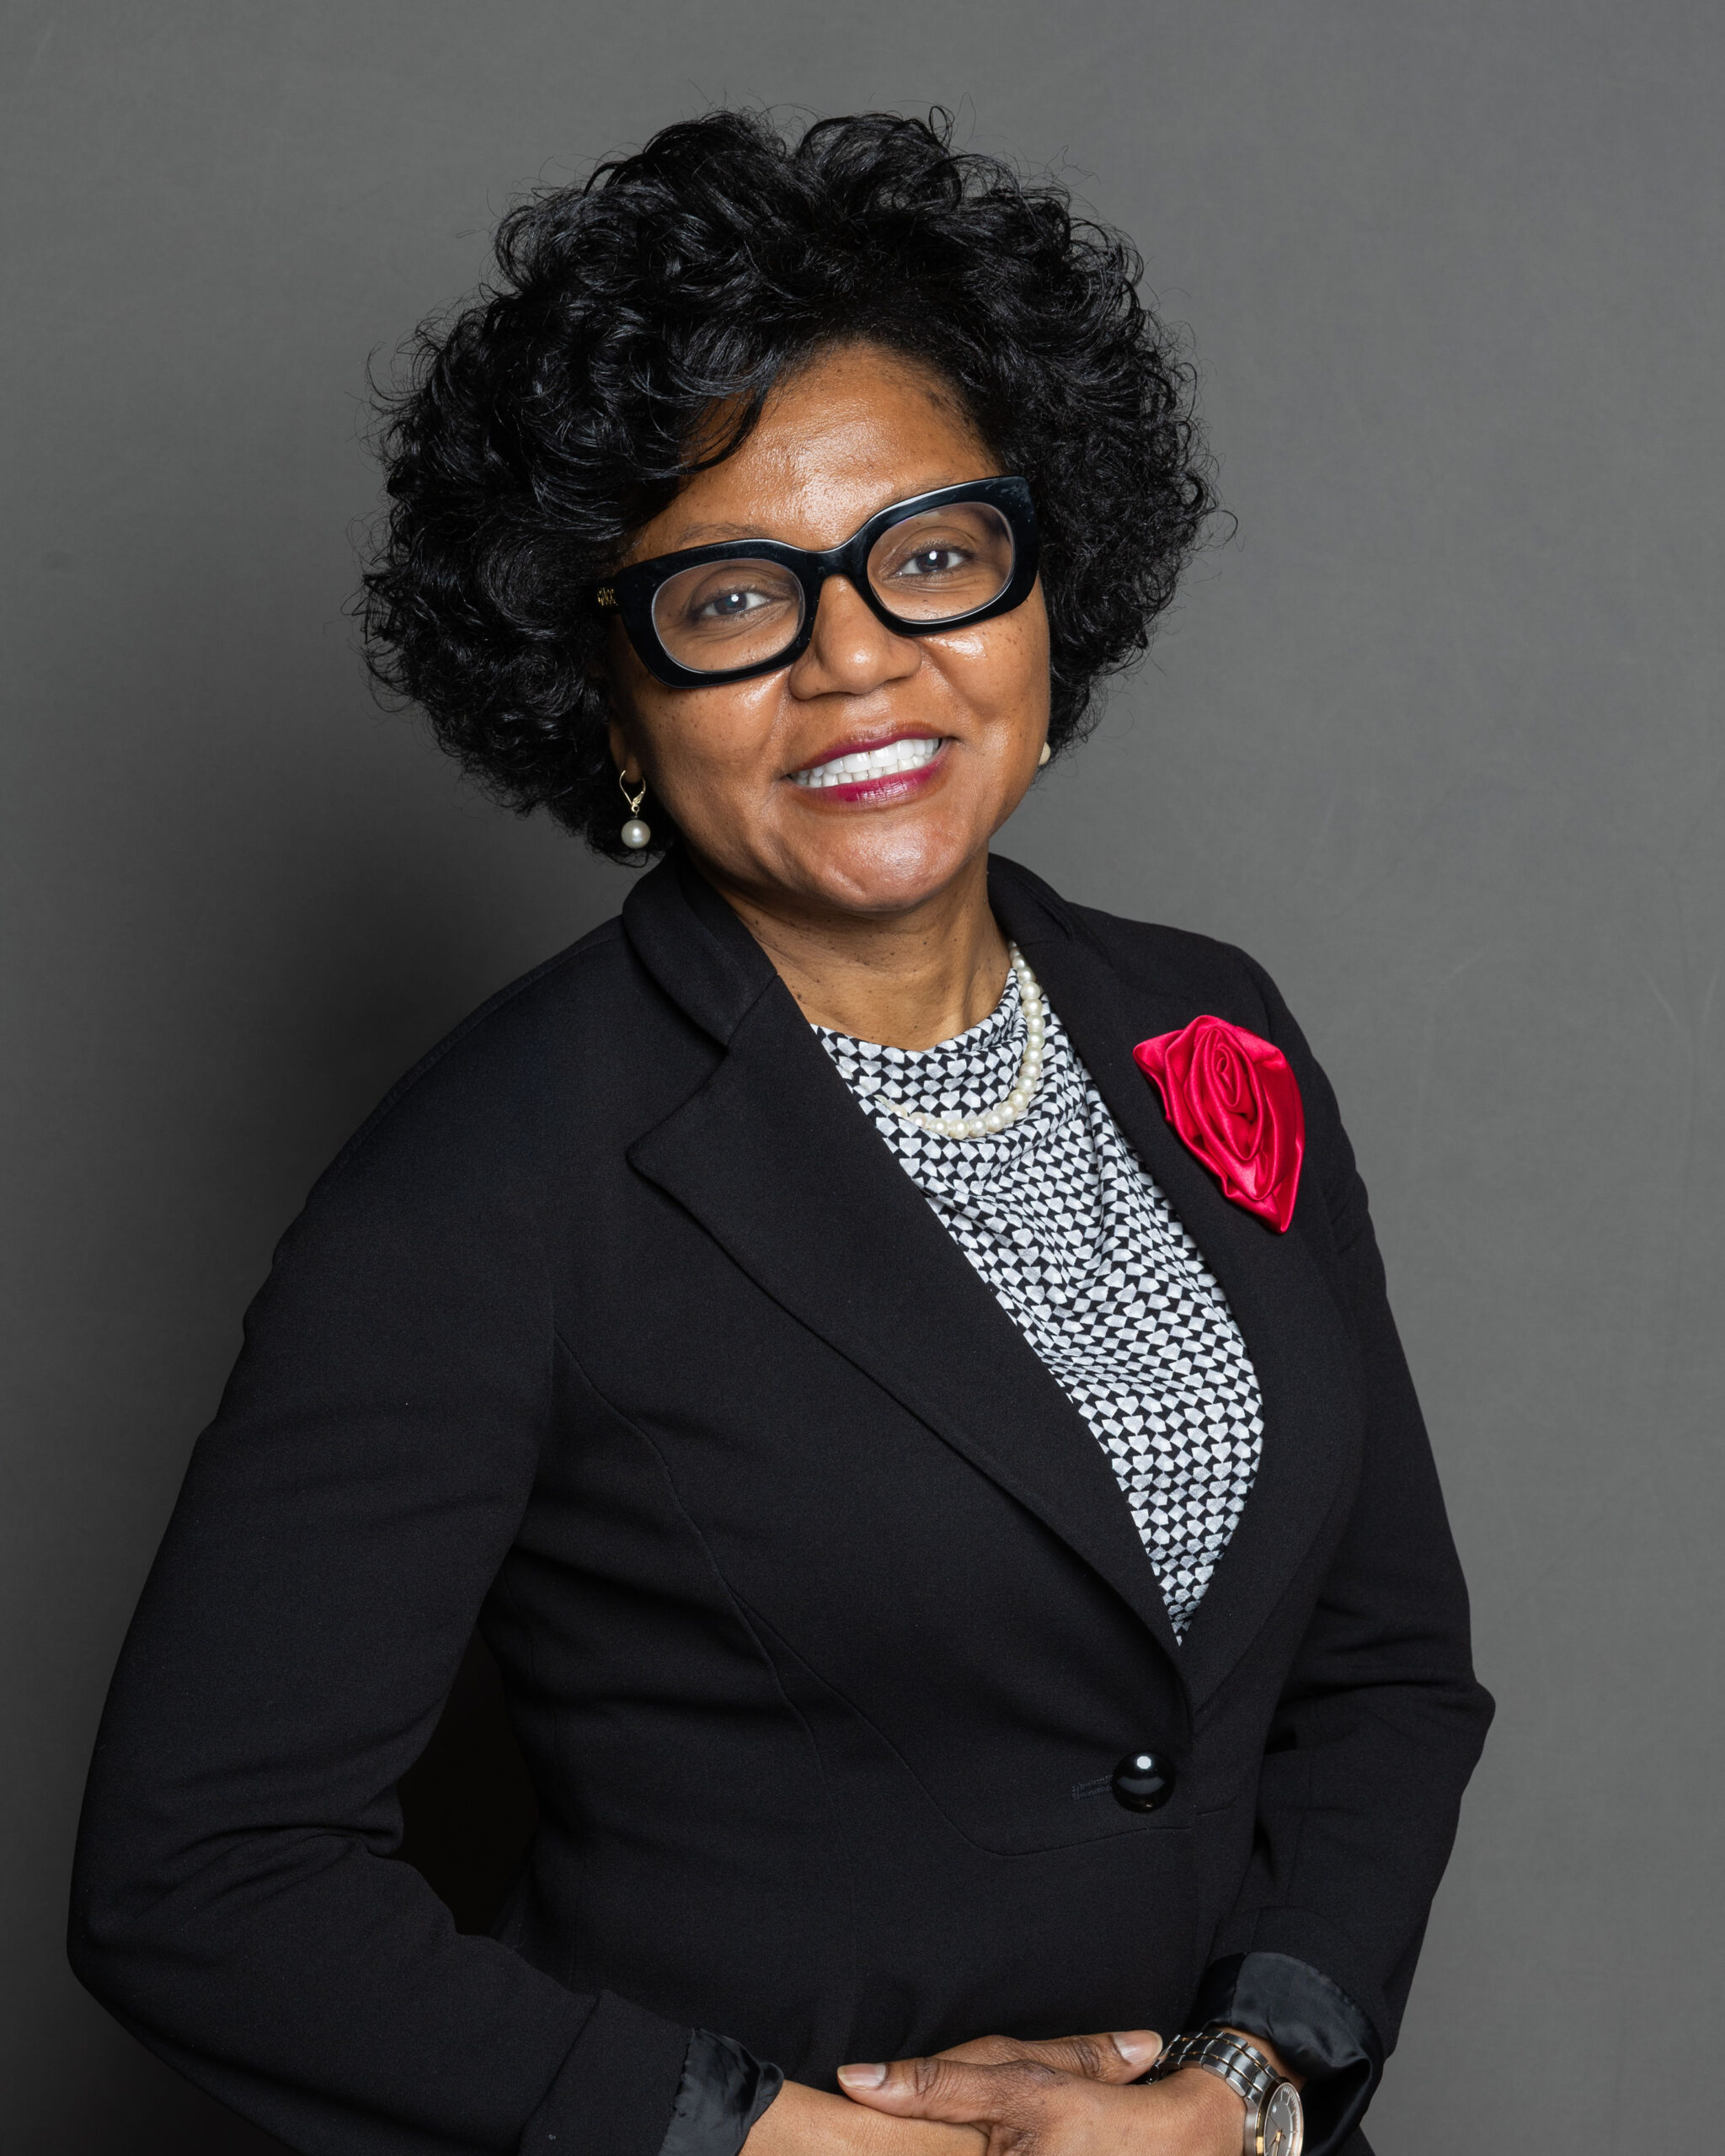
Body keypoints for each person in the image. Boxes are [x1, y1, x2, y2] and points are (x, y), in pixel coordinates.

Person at [68, 110, 1492, 2156]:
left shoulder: (1211, 1023)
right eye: (732, 596)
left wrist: (1247, 2084)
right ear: (607, 689)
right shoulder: (490, 1176)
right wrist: (764, 2136)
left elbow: (1383, 1666)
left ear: (1042, 584)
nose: (857, 657)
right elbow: (201, 1878)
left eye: (932, 555)